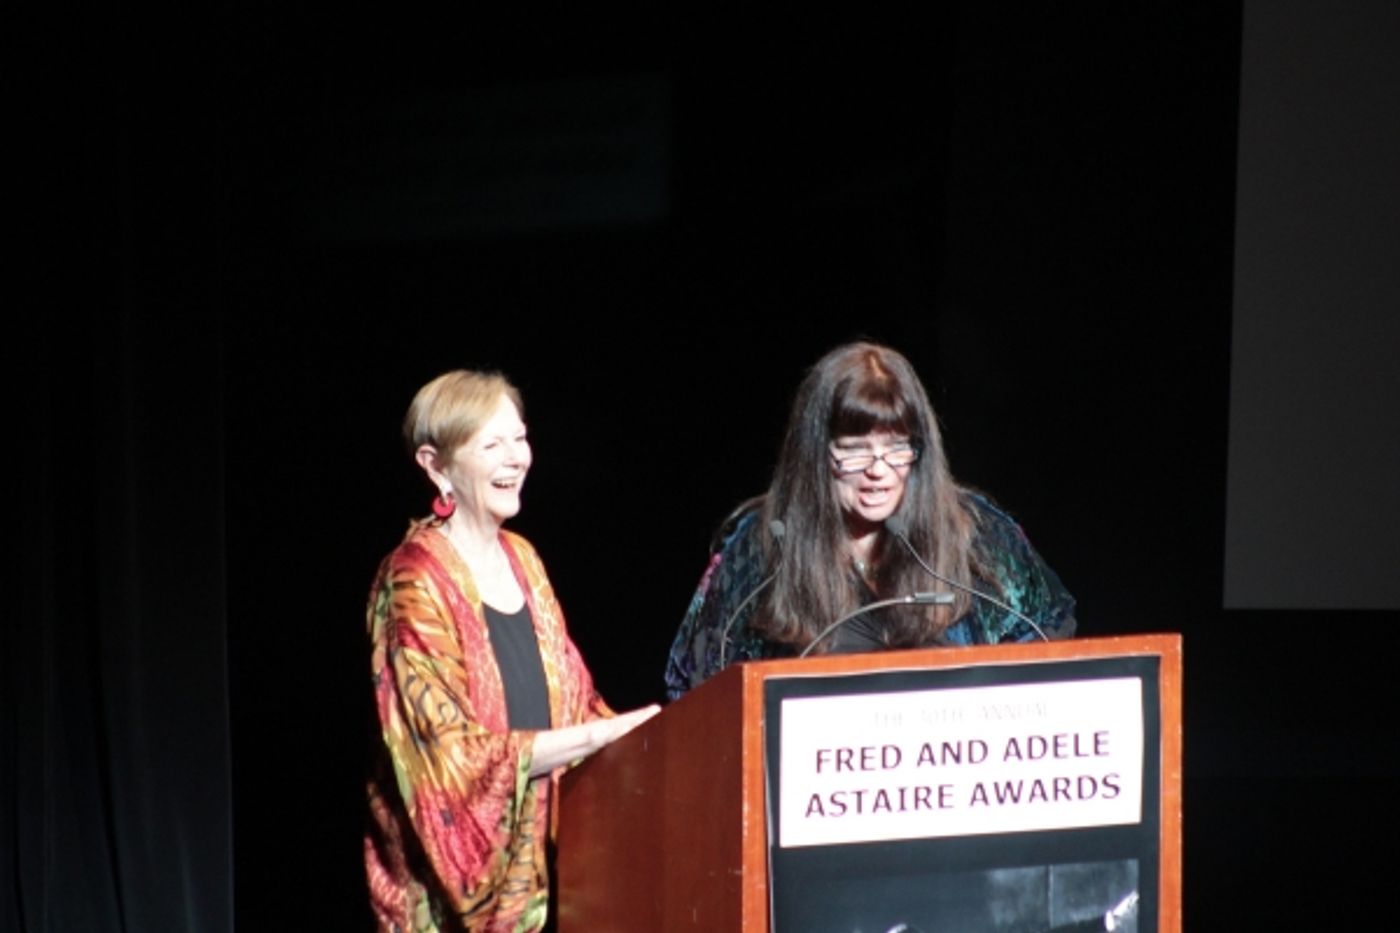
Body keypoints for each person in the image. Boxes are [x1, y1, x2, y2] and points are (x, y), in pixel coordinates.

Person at [364, 370, 659, 932]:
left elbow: (577, 701)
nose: (516, 458)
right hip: (446, 908)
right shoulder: (412, 582)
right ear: (435, 464)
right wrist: (597, 737)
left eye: (519, 439)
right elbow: (448, 760)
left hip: (547, 883)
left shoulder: (523, 559)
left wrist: (647, 740)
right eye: (492, 444)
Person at [665, 342, 1076, 700]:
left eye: (897, 448)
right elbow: (698, 687)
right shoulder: (760, 549)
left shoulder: (978, 535)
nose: (879, 470)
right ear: (815, 455)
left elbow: (1049, 635)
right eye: (856, 450)